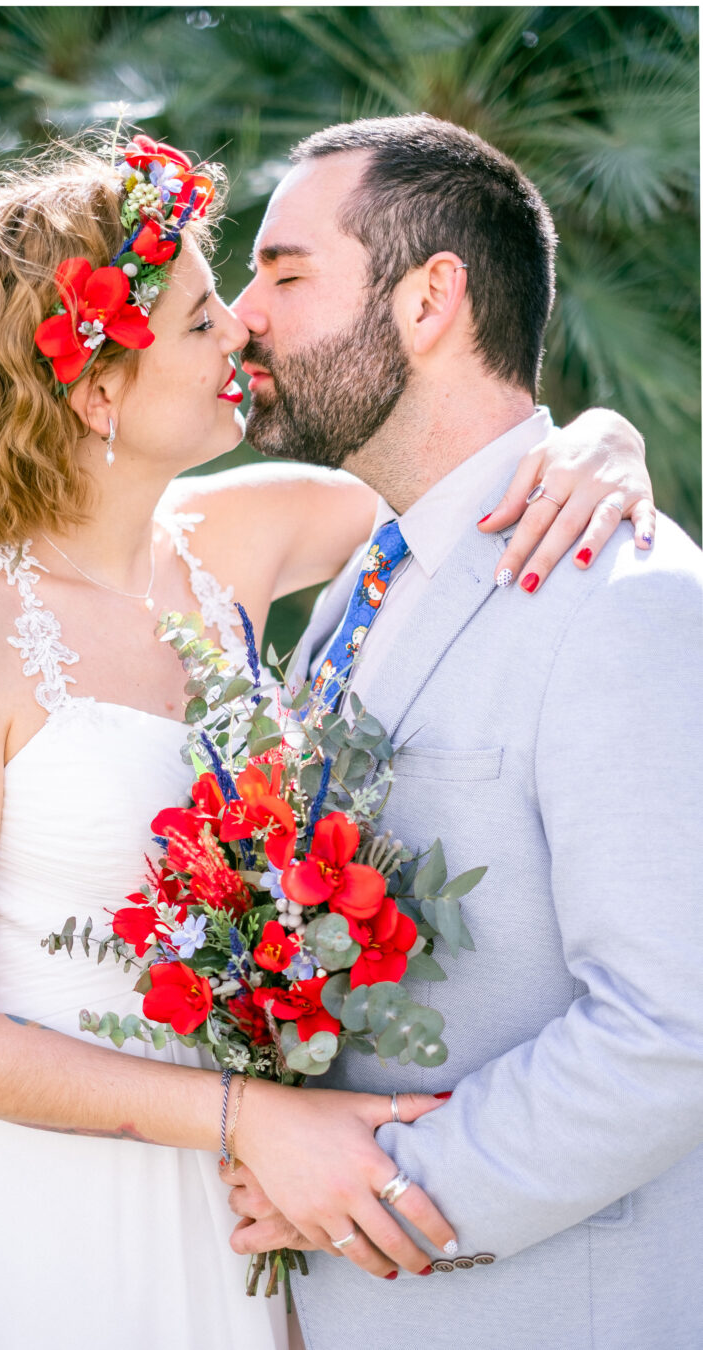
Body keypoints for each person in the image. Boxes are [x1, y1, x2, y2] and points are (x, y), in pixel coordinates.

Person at [0, 131, 656, 1350]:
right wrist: (243, 1116)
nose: (239, 331)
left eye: (244, 295)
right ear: (96, 389)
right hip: (65, 1197)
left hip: (255, 1194)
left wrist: (603, 439)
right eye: (198, 317)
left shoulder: (263, 527)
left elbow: (470, 469)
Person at [222, 114, 703, 1349]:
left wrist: (375, 1198)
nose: (241, 316)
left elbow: (674, 1023)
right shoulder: (363, 574)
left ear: (432, 297)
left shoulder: (627, 596)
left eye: (283, 274)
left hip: (531, 1305)